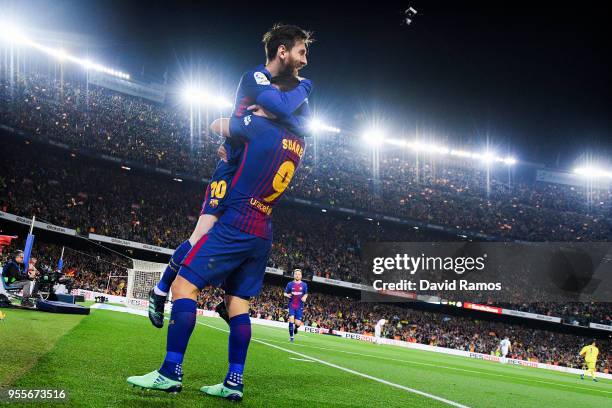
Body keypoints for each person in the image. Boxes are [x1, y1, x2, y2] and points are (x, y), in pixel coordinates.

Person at [128, 24, 313, 402]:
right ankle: (233, 382)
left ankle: (170, 370)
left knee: (186, 285)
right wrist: (298, 95)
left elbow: (217, 123)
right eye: (301, 51)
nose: (306, 60)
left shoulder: (259, 128)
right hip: (264, 229)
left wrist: (248, 124)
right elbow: (288, 113)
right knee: (237, 304)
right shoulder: (296, 142)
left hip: (238, 215)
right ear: (282, 51)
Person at [284, 268, 308, 341]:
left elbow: (306, 293)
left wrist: (305, 297)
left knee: (297, 324)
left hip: (299, 306)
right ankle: (291, 337)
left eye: (299, 274)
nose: (297, 275)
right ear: (294, 275)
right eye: (296, 274)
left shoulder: (304, 285)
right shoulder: (290, 284)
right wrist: (286, 295)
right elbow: (284, 293)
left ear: (301, 276)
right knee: (291, 319)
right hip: (292, 305)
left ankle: (296, 328)